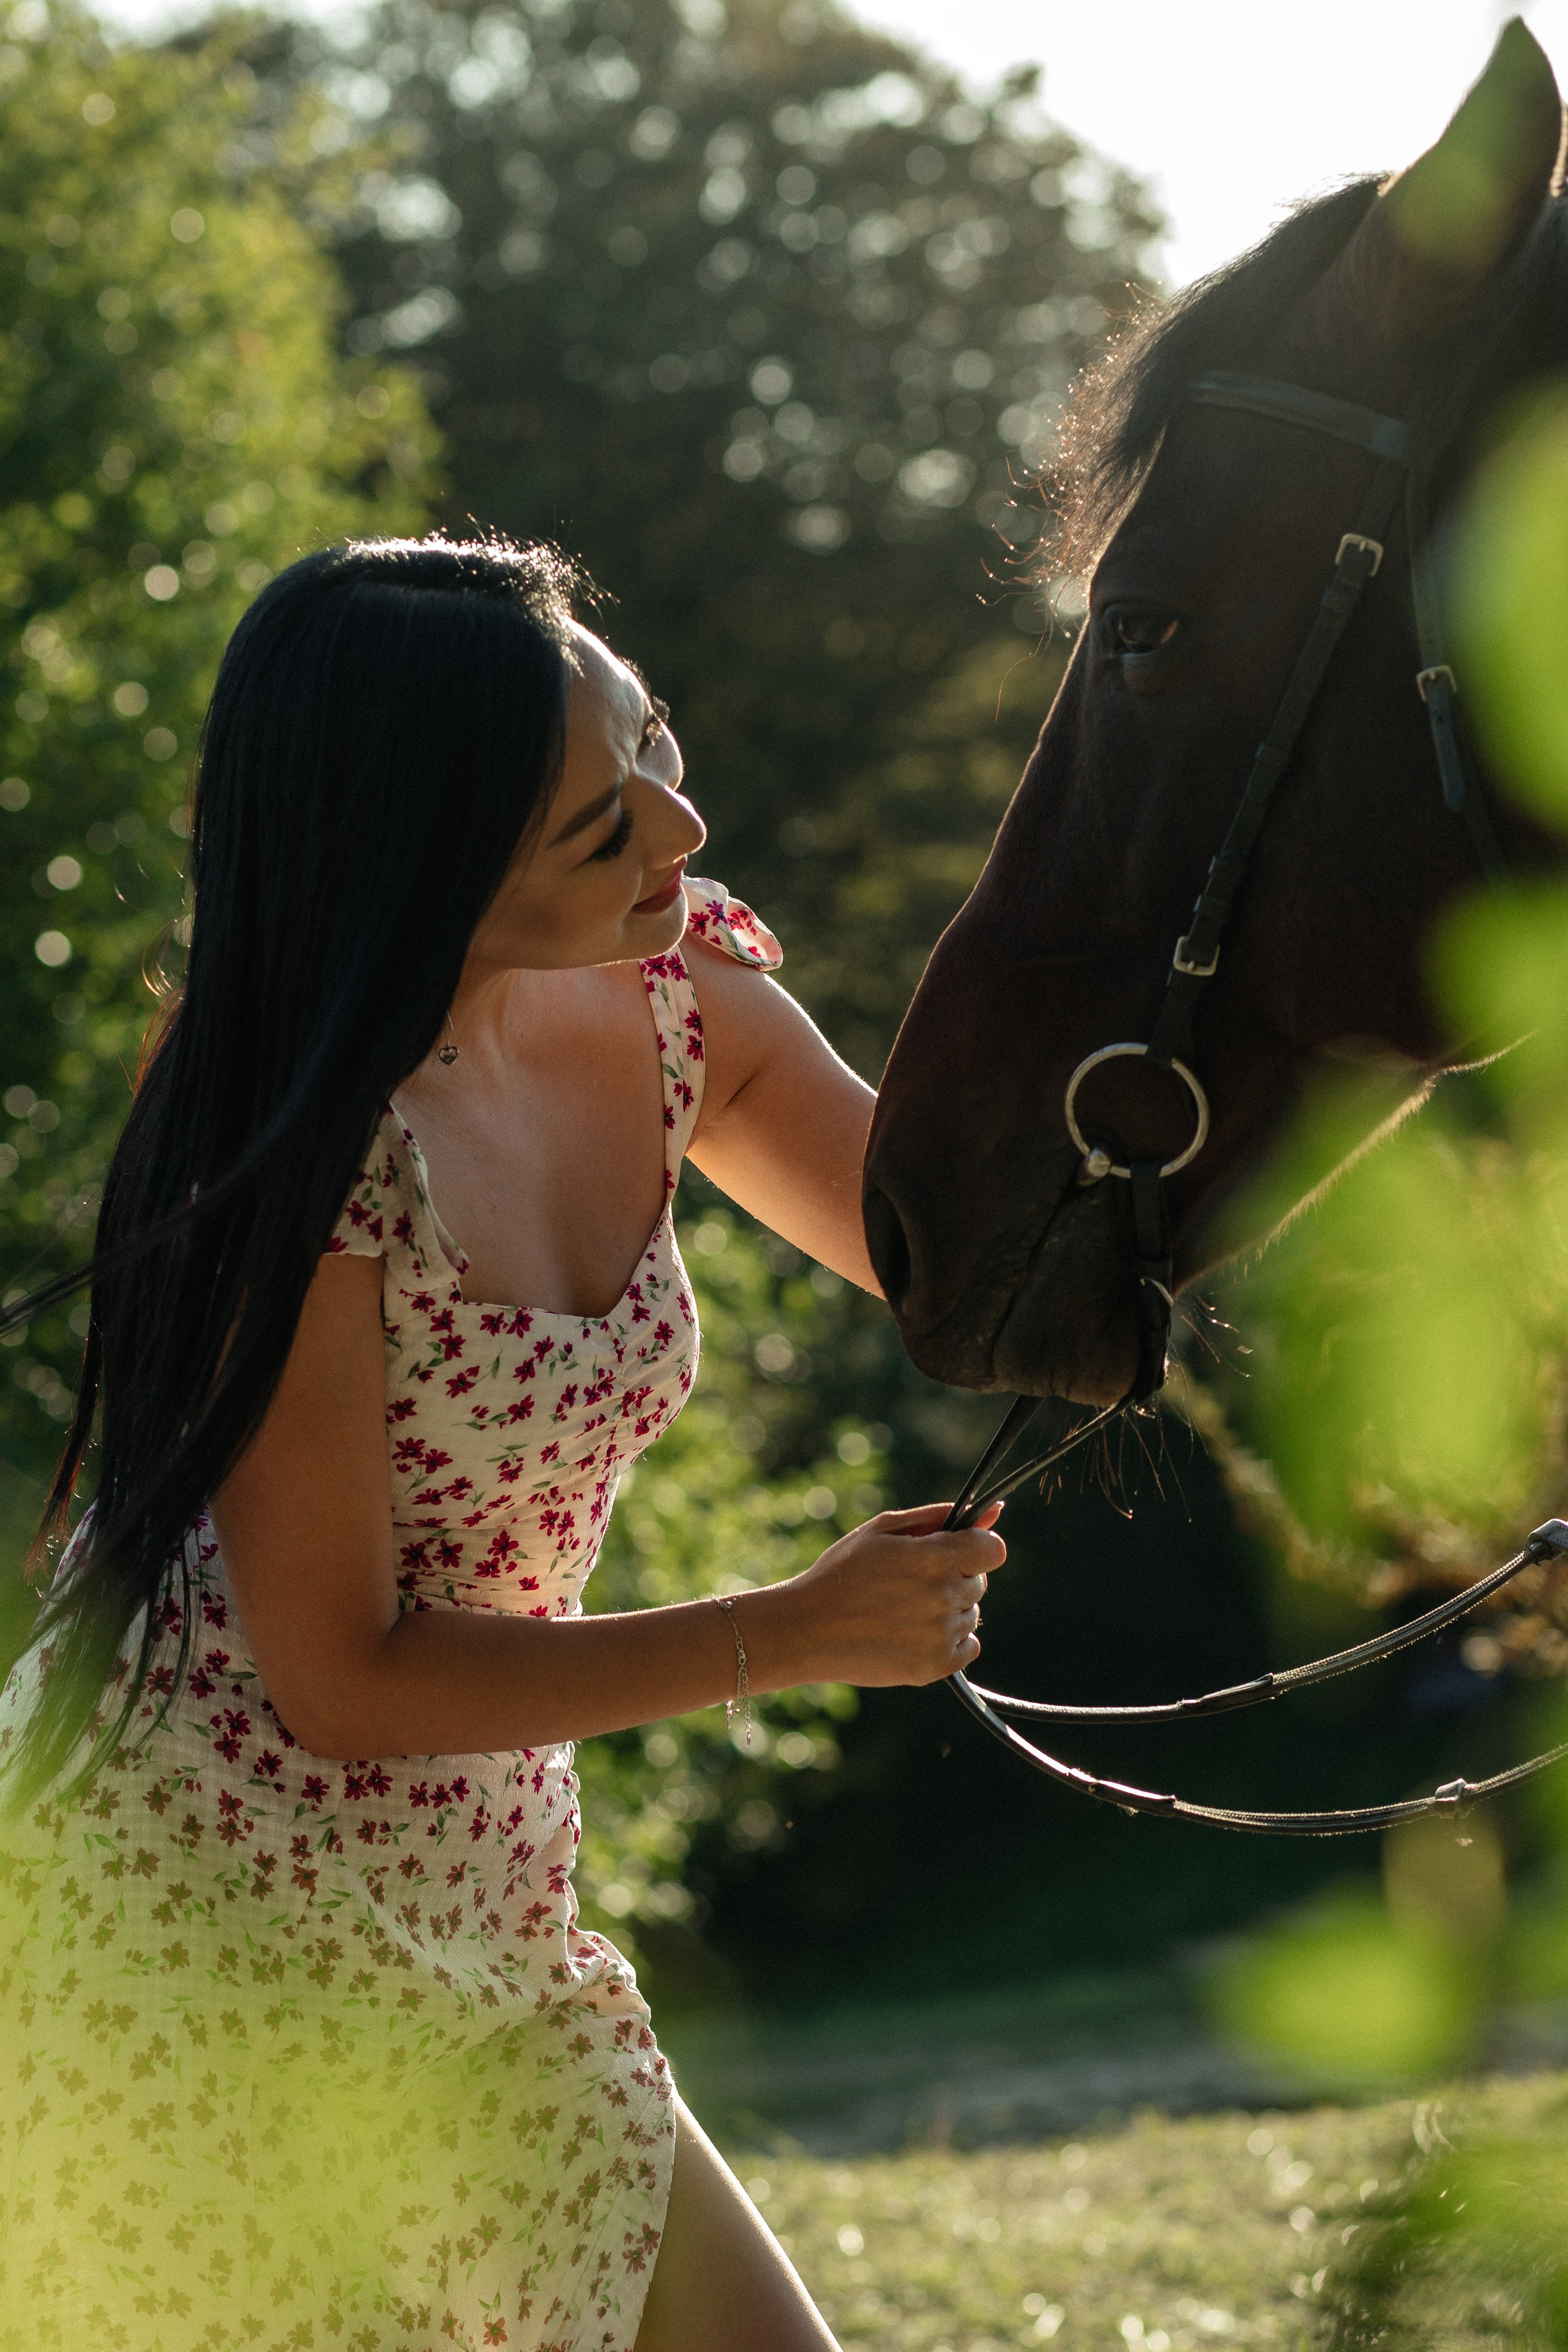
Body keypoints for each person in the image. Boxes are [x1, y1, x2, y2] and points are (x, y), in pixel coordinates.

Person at [0, 535, 1004, 2352]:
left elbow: (968, 1268)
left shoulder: (675, 986)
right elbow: (344, 1678)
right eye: (597, 829)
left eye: (656, 755)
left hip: (482, 1895)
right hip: (181, 1941)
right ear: (421, 868)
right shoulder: (301, 1138)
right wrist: (791, 1634)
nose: (677, 840)